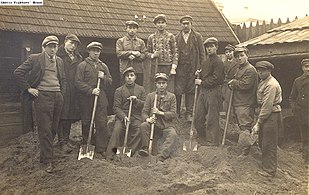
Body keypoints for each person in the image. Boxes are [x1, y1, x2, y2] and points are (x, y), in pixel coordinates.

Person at [14, 35, 66, 173]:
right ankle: (48, 161)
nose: (53, 49)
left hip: (57, 96)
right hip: (42, 96)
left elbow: (63, 79)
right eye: (50, 46)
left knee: (54, 128)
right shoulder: (35, 58)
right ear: (44, 47)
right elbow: (18, 72)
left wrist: (61, 93)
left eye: (55, 46)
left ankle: (45, 156)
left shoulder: (60, 61)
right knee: (45, 129)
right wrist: (29, 88)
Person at [75, 41, 113, 159]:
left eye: (98, 51)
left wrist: (104, 78)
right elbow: (78, 82)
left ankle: (101, 148)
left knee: (101, 122)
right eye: (94, 51)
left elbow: (110, 82)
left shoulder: (103, 66)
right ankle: (87, 144)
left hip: (100, 98)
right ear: (89, 51)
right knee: (86, 122)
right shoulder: (83, 65)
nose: (96, 53)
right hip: (86, 98)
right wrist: (90, 90)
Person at [106, 67, 146, 159]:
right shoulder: (119, 90)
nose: (129, 77)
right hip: (123, 117)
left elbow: (144, 105)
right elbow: (116, 107)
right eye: (127, 76)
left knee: (140, 129)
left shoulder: (141, 89)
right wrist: (123, 117)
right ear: (124, 78)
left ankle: (130, 150)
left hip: (136, 117)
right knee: (117, 129)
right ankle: (110, 154)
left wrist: (136, 101)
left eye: (131, 75)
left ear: (135, 77)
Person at [251, 61, 282, 177]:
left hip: (271, 115)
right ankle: (267, 166)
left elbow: (267, 106)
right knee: (264, 141)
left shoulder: (271, 84)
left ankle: (270, 170)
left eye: (262, 70)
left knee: (269, 143)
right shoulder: (263, 82)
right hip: (266, 114)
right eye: (258, 70)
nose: (259, 72)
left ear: (269, 71)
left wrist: (258, 123)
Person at [139, 73, 178, 162]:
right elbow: (144, 112)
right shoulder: (150, 96)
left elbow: (173, 114)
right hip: (154, 124)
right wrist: (148, 119)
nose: (161, 85)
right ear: (156, 84)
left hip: (166, 125)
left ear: (166, 84)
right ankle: (145, 148)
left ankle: (161, 156)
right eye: (159, 83)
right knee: (144, 126)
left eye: (163, 83)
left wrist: (159, 112)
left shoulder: (172, 97)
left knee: (173, 134)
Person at [175, 15, 206, 121]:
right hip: (180, 67)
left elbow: (202, 53)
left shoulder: (197, 37)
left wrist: (201, 67)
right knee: (178, 89)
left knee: (191, 89)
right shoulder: (177, 37)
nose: (185, 25)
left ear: (191, 24)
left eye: (187, 23)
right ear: (181, 25)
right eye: (183, 23)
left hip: (193, 67)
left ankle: (189, 113)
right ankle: (177, 112)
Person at [194, 37, 224, 146]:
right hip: (203, 92)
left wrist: (201, 82)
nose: (209, 49)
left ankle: (213, 142)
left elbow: (217, 79)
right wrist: (198, 73)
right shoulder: (205, 62)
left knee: (212, 118)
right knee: (198, 117)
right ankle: (202, 138)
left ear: (216, 47)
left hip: (213, 92)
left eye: (211, 46)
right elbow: (204, 74)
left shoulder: (218, 62)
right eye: (207, 47)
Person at [228, 46, 258, 154]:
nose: (239, 58)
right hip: (238, 102)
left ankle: (246, 152)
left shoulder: (250, 69)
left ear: (247, 56)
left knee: (245, 126)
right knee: (242, 126)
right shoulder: (239, 69)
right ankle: (248, 147)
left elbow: (246, 85)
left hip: (245, 103)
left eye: (242, 55)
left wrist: (234, 83)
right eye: (237, 56)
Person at [57, 34, 83, 153]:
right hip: (62, 87)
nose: (73, 46)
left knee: (69, 114)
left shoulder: (78, 57)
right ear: (65, 42)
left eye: (75, 44)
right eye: (71, 43)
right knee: (62, 114)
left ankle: (66, 140)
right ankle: (61, 141)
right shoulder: (58, 55)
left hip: (74, 89)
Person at [147, 14, 178, 93]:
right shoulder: (151, 37)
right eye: (158, 23)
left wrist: (173, 67)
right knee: (156, 86)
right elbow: (147, 52)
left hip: (168, 66)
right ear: (155, 24)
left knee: (168, 87)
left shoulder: (171, 36)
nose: (161, 25)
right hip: (156, 66)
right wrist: (153, 55)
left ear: (166, 24)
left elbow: (175, 52)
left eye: (162, 22)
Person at [289, 59, 309, 165]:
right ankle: (306, 160)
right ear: (302, 68)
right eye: (306, 67)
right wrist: (295, 108)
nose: (308, 69)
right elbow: (292, 97)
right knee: (305, 138)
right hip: (303, 114)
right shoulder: (298, 81)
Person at [116, 21, 147, 86]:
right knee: (124, 89)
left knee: (138, 89)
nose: (132, 30)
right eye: (130, 28)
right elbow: (118, 53)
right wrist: (130, 53)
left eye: (134, 28)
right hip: (125, 69)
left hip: (138, 70)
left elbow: (144, 55)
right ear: (126, 29)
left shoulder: (141, 42)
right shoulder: (120, 41)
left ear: (137, 30)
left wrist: (138, 56)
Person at [222, 44, 238, 117]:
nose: (228, 54)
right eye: (226, 52)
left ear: (233, 52)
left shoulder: (237, 63)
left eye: (230, 52)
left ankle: (233, 117)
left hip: (233, 84)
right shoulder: (224, 63)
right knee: (226, 101)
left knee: (233, 101)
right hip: (225, 84)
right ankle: (227, 117)